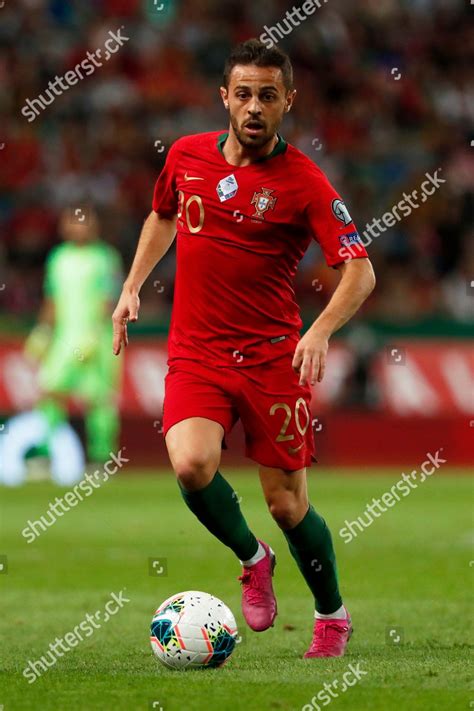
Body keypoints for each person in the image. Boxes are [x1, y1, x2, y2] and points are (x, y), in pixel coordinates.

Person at [112, 39, 375, 658]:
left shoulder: (305, 181)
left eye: (268, 95)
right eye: (244, 94)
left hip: (271, 357)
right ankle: (252, 559)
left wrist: (320, 329)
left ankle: (331, 615)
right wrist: (130, 287)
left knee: (287, 505)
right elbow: (163, 216)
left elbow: (360, 271)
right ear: (224, 97)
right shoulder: (185, 155)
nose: (254, 107)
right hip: (198, 350)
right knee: (190, 464)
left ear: (288, 101)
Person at [22, 206, 122, 481]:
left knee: (99, 399)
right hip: (63, 339)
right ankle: (44, 456)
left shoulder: (105, 258)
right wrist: (42, 330)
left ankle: (102, 460)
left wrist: (95, 332)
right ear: (64, 226)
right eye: (72, 222)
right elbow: (52, 299)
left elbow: (108, 298)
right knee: (50, 390)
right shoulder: (58, 258)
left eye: (83, 221)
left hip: (98, 339)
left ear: (94, 226)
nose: (78, 227)